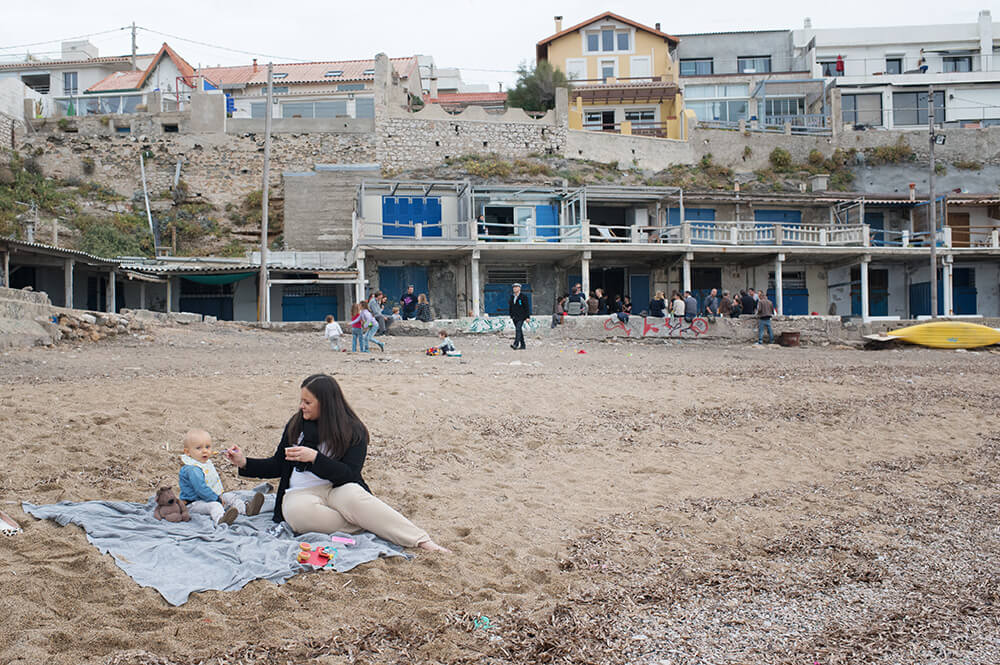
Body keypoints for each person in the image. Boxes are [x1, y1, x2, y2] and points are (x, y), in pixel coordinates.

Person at [224, 374, 449, 552]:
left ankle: (421, 541)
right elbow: (276, 464)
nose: (302, 406)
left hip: (338, 488)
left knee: (355, 497)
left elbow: (349, 475)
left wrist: (315, 458)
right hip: (300, 494)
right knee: (297, 514)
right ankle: (368, 521)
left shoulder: (353, 431)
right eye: (301, 401)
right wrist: (244, 462)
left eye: (308, 402)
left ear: (326, 404)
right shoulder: (296, 425)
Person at [179, 429, 265, 526]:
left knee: (230, 496)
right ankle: (221, 519)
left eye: (207, 447)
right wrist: (217, 499)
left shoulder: (204, 463)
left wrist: (218, 497)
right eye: (198, 448)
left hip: (211, 496)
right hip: (194, 503)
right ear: (187, 452)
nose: (204, 451)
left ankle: (246, 509)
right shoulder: (192, 469)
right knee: (214, 506)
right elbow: (200, 489)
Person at [509, 282, 530, 350]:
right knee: (519, 331)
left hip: (521, 316)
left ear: (519, 288)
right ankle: (523, 345)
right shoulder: (512, 297)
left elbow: (526, 307)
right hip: (514, 316)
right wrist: (511, 315)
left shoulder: (523, 297)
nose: (514, 288)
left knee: (518, 329)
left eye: (516, 287)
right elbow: (511, 306)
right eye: (514, 287)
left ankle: (516, 344)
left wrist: (527, 317)